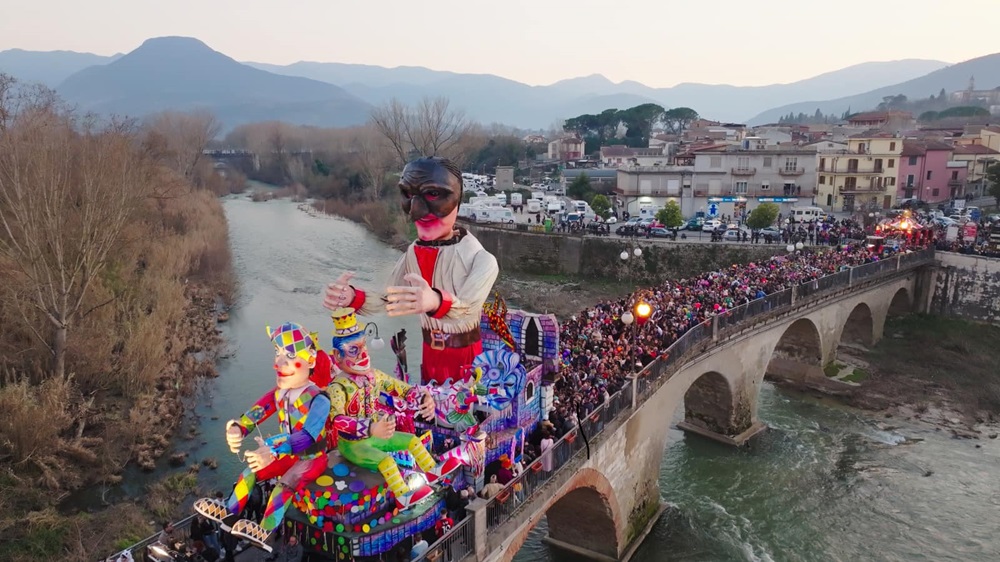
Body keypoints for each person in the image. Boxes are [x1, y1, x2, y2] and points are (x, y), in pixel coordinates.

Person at [323, 157, 499, 385]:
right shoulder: (413, 253)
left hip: (465, 358)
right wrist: (352, 297)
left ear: (458, 200)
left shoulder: (482, 260)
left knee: (462, 412)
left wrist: (435, 301)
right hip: (430, 354)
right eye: (407, 194)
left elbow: (466, 309)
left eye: (433, 195)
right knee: (429, 409)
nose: (415, 211)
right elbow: (390, 299)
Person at [194, 323, 331, 552]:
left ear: (311, 361)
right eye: (278, 354)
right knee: (249, 471)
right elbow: (257, 412)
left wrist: (275, 450)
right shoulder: (280, 394)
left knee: (285, 484)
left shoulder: (319, 400)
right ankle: (229, 513)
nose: (278, 363)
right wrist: (238, 427)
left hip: (311, 457)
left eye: (290, 355)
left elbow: (308, 437)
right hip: (286, 452)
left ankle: (265, 530)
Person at [325, 308, 439, 509]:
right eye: (353, 350)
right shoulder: (337, 387)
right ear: (337, 356)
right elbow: (338, 420)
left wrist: (424, 397)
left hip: (375, 435)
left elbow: (401, 389)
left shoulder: (374, 376)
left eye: (363, 347)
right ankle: (403, 497)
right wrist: (370, 428)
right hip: (352, 444)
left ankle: (435, 473)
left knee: (412, 440)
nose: (362, 354)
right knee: (386, 462)